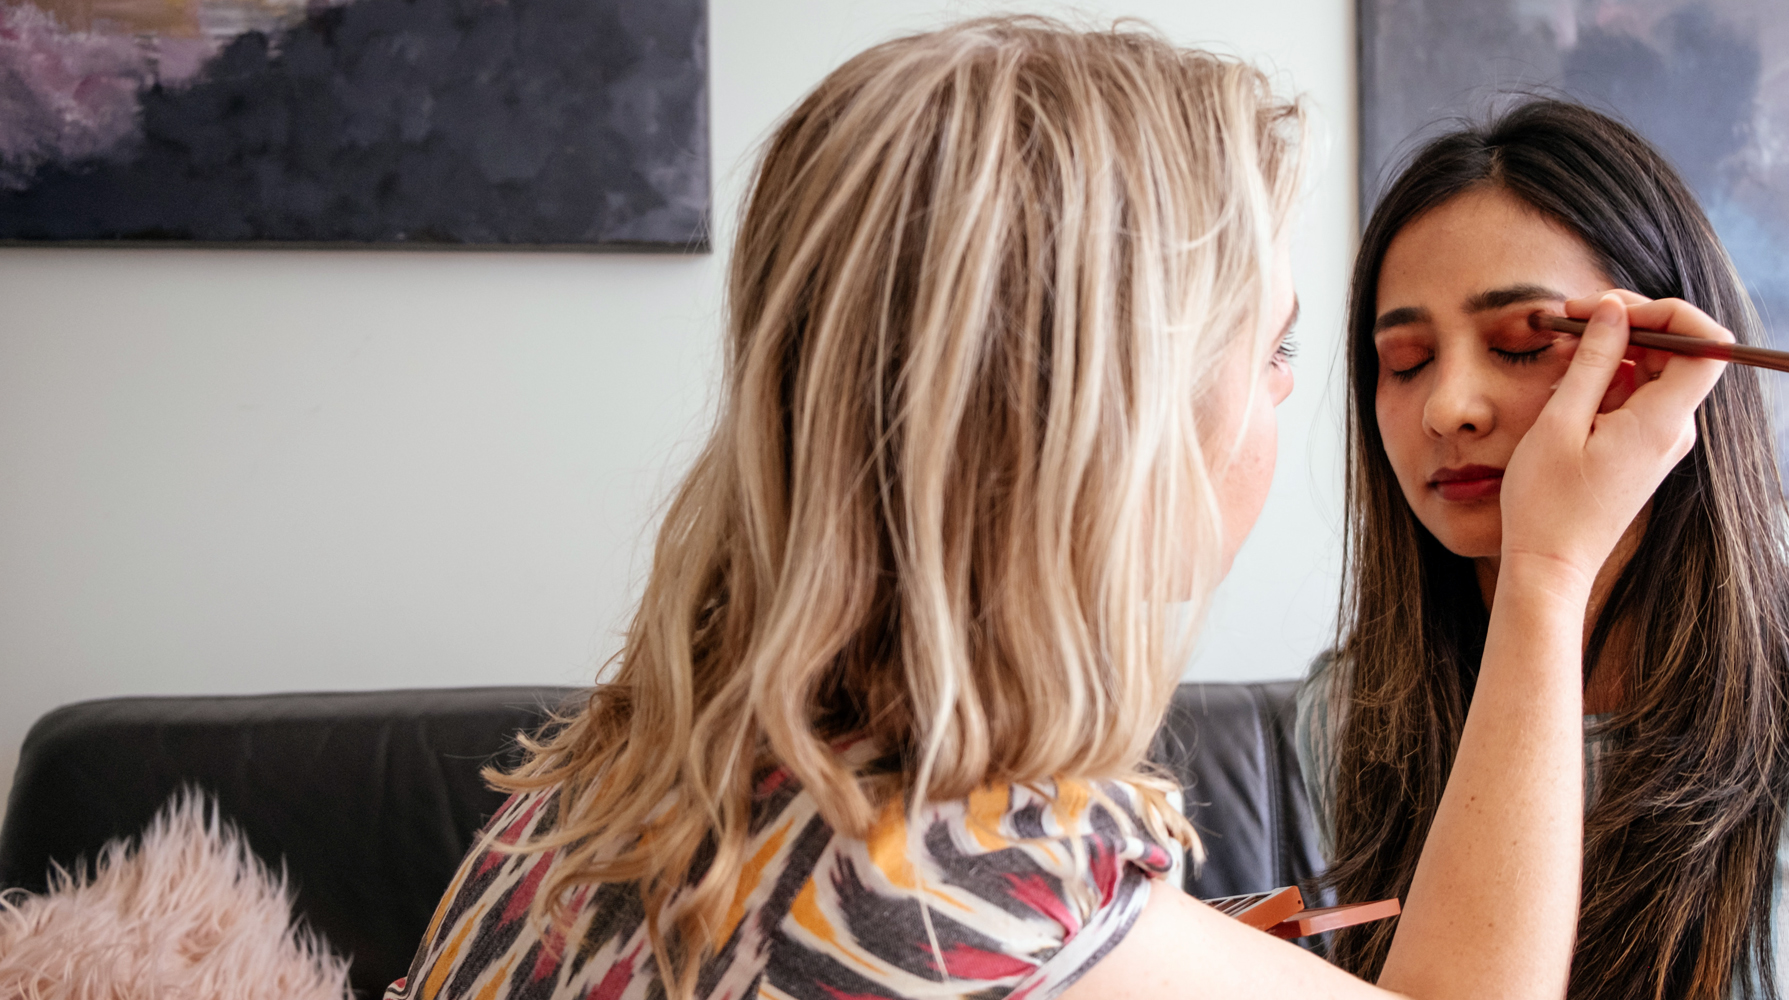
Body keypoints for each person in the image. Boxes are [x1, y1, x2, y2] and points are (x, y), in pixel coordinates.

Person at [390, 25, 1719, 1000]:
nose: (1445, 412)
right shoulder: (952, 873)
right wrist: (1550, 571)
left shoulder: (610, 782)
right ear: (1113, 413)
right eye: (1276, 350)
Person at [1300, 98, 1789, 1000]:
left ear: (1664, 364)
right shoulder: (1355, 710)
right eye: (1404, 361)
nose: (1448, 407)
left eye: (1521, 344)